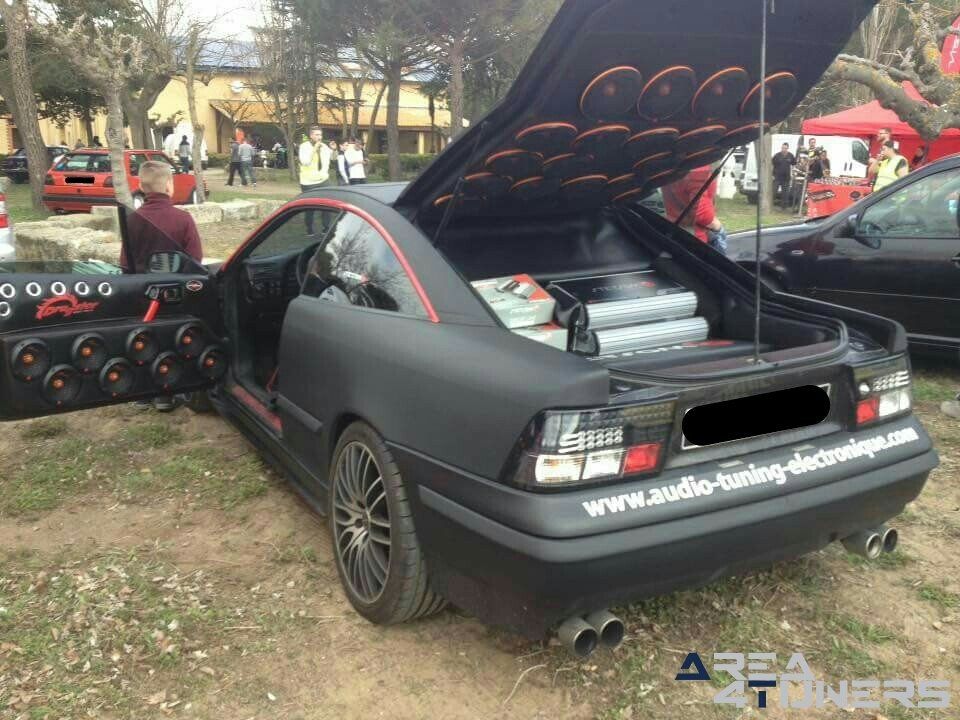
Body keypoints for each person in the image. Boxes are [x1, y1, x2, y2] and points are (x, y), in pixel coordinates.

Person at [662, 165, 726, 251]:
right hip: (697, 240)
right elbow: (701, 213)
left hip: (675, 232)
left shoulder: (673, 166)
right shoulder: (699, 169)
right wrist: (717, 226)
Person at [298, 126, 333, 235]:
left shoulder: (324, 147)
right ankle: (309, 228)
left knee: (327, 205)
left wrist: (334, 149)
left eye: (320, 135)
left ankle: (326, 228)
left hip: (323, 180)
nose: (319, 137)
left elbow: (332, 159)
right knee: (310, 207)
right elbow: (305, 162)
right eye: (317, 135)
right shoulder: (304, 146)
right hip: (308, 182)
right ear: (311, 136)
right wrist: (314, 149)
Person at [772, 142, 795, 209]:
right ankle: (771, 205)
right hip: (777, 177)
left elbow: (794, 164)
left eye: (785, 148)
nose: (783, 149)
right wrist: (772, 175)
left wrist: (793, 173)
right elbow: (772, 165)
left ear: (787, 148)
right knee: (773, 191)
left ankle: (783, 207)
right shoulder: (777, 155)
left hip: (786, 178)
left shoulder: (790, 155)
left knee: (785, 193)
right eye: (782, 148)